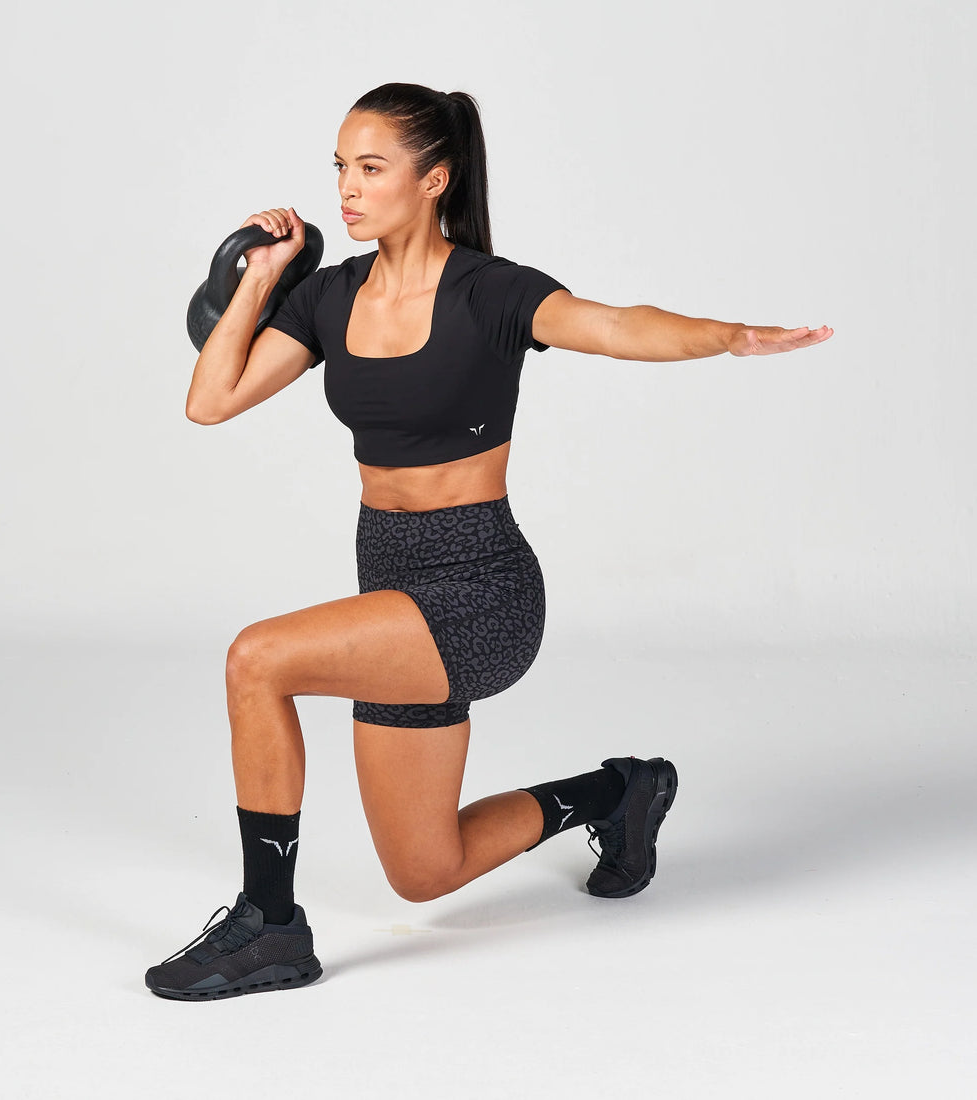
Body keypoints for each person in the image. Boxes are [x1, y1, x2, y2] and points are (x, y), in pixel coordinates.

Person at [145, 82, 833, 1001]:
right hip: (389, 588)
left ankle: (269, 926)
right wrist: (263, 278)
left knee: (256, 660)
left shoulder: (490, 292)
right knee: (424, 872)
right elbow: (211, 399)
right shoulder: (329, 296)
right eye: (341, 167)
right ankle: (617, 794)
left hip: (479, 591)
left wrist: (729, 336)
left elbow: (614, 325)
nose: (348, 188)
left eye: (372, 168)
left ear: (434, 179)